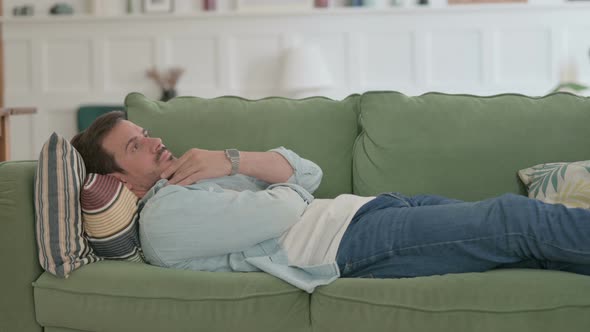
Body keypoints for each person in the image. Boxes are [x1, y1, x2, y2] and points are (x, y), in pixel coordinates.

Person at [71, 111, 590, 293]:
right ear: (118, 179)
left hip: (364, 212)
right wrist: (252, 174)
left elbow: (308, 173)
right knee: (511, 220)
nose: (154, 141)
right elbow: (288, 206)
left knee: (528, 245)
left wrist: (233, 158)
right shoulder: (164, 218)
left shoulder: (188, 179)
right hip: (348, 244)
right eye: (134, 146)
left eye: (145, 132)